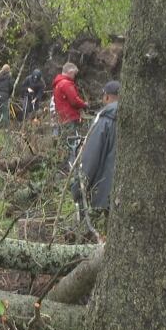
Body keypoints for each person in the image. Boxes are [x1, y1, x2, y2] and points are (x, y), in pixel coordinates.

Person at [71, 80, 120, 218]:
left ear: (107, 97)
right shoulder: (136, 120)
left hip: (106, 197)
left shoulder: (104, 121)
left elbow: (90, 159)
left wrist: (78, 189)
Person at [52, 62, 88, 128]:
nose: (74, 76)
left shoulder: (57, 84)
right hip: (70, 117)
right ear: (70, 72)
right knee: (73, 137)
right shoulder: (66, 84)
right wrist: (84, 104)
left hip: (62, 117)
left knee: (66, 137)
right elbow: (74, 101)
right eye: (74, 74)